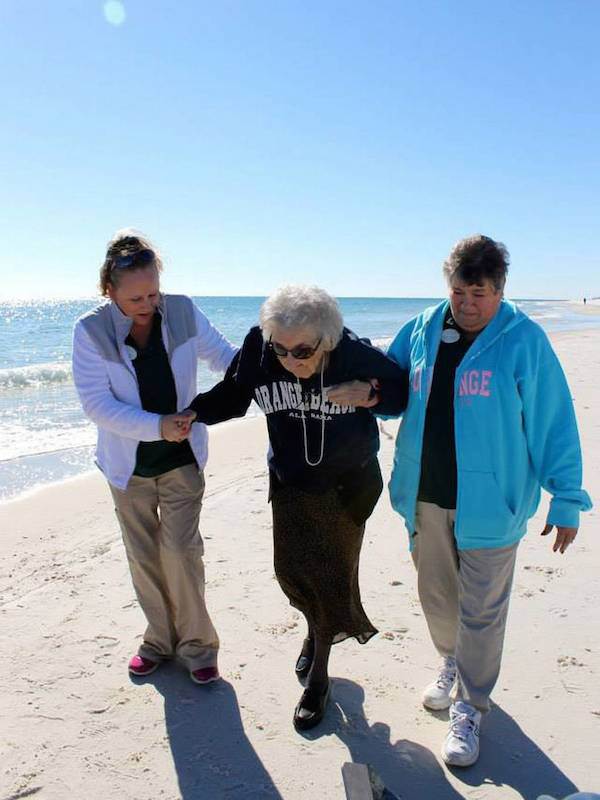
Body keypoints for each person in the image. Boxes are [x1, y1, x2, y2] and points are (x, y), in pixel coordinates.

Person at [385, 235, 592, 767]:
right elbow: (388, 388)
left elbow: (554, 421)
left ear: (500, 290)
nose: (467, 304)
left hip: (492, 505)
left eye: (479, 293)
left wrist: (565, 497)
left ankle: (471, 707)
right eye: (459, 291)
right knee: (437, 599)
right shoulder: (424, 329)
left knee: (482, 612)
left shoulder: (524, 340)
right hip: (426, 494)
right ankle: (451, 660)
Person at [180, 285, 408, 730]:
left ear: (328, 339)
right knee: (292, 573)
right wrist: (191, 414)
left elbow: (401, 391)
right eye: (281, 350)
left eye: (303, 351)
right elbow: (234, 394)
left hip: (348, 487)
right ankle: (313, 631)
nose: (290, 361)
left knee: (330, 580)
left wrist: (373, 395)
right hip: (291, 484)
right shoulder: (260, 349)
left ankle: (318, 679)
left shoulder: (354, 354)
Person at [72, 230, 236, 684]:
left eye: (153, 292)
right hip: (129, 468)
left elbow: (225, 357)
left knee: (181, 551)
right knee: (144, 557)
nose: (148, 303)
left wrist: (278, 361)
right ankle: (159, 641)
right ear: (109, 291)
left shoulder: (181, 310)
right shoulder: (89, 330)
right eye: (136, 297)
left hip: (182, 459)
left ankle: (199, 648)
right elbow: (95, 405)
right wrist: (156, 426)